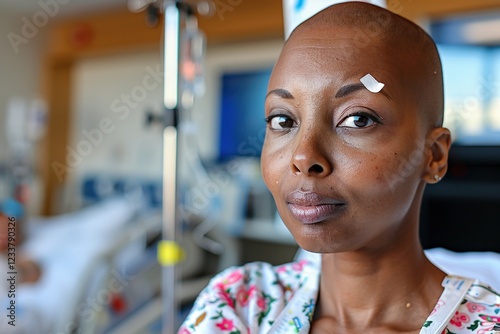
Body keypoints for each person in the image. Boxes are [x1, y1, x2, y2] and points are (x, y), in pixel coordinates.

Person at [179, 2, 500, 333]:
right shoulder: (239, 305)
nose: (303, 157)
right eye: (283, 120)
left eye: (358, 119)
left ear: (433, 155)